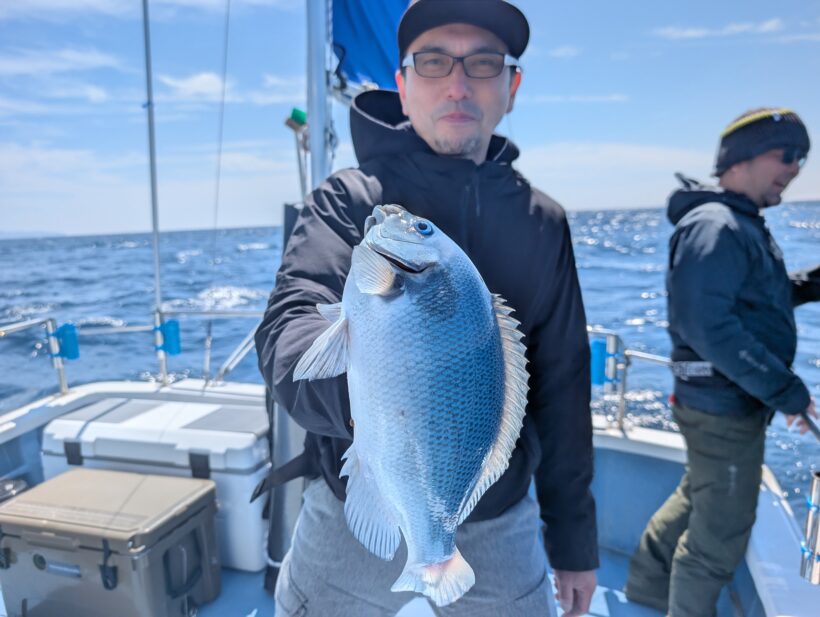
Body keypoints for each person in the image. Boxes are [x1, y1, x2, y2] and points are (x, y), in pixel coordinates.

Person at [255, 1, 599, 615]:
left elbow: (564, 384)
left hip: (498, 509)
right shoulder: (347, 199)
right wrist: (386, 402)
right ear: (402, 85)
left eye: (483, 63)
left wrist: (574, 541)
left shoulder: (543, 222)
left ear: (512, 87)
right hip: (353, 495)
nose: (458, 84)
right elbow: (288, 331)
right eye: (434, 62)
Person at [625, 107, 820, 617]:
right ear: (742, 157)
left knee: (698, 492)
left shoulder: (735, 222)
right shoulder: (717, 226)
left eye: (802, 158)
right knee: (717, 540)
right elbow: (707, 325)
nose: (796, 168)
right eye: (788, 154)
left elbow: (754, 296)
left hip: (720, 402)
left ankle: (646, 588)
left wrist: (810, 283)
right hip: (723, 409)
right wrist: (788, 392)